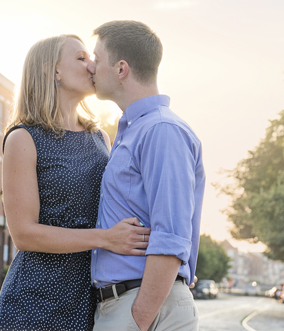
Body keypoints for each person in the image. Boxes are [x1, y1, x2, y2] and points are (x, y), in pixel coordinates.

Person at [0, 34, 151, 331]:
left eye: (91, 58)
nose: (92, 66)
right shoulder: (23, 138)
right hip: (35, 304)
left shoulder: (100, 137)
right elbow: (24, 234)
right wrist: (104, 238)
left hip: (91, 300)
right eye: (81, 58)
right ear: (53, 71)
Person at [88, 20, 205, 331]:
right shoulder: (133, 131)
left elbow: (171, 236)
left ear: (121, 69)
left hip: (145, 308)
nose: (90, 66)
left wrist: (137, 319)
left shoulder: (161, 130)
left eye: (97, 59)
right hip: (128, 305)